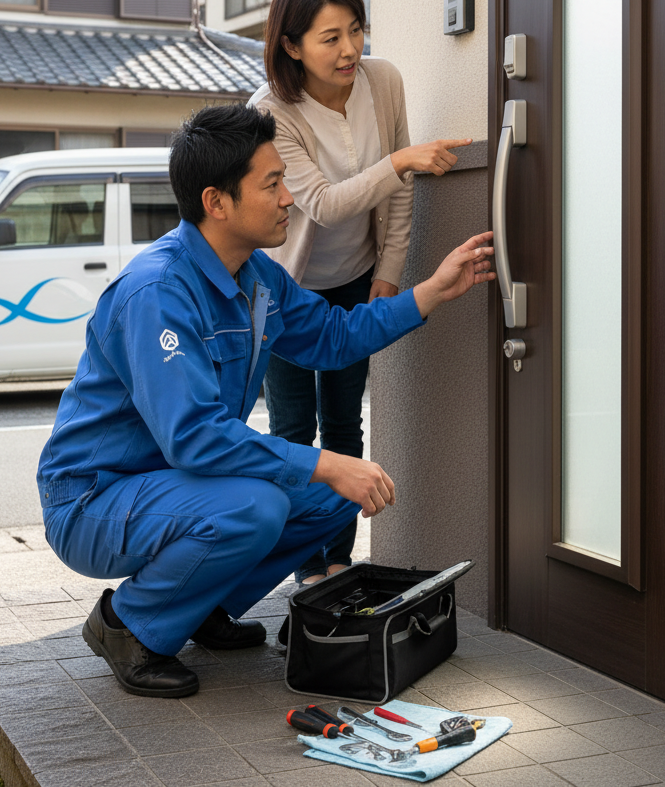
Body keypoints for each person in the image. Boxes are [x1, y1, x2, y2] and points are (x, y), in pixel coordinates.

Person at [37, 103, 494, 699]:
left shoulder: (257, 276)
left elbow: (332, 337)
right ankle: (127, 625)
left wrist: (429, 292)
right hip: (94, 499)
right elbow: (196, 437)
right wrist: (325, 460)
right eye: (272, 184)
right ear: (216, 202)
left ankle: (198, 606)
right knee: (258, 504)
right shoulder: (157, 292)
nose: (288, 198)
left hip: (179, 483)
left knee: (335, 494)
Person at [252, 0, 471, 584]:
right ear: (292, 45)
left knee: (345, 421)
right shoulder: (271, 110)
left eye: (355, 30)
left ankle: (338, 558)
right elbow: (323, 203)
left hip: (355, 277)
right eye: (330, 38)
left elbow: (399, 192)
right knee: (294, 428)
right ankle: (303, 566)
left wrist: (389, 271)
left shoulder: (384, 81)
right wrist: (399, 160)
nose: (349, 49)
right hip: (286, 287)